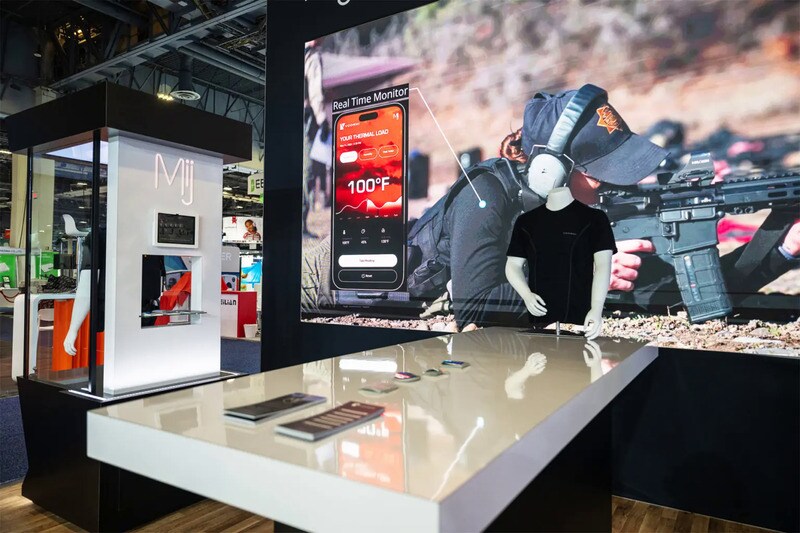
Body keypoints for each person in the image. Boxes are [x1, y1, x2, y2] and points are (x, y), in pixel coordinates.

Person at [303, 39, 330, 238]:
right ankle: (301, 226)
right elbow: (315, 93)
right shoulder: (312, 57)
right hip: (307, 119)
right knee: (307, 172)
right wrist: (322, 120)